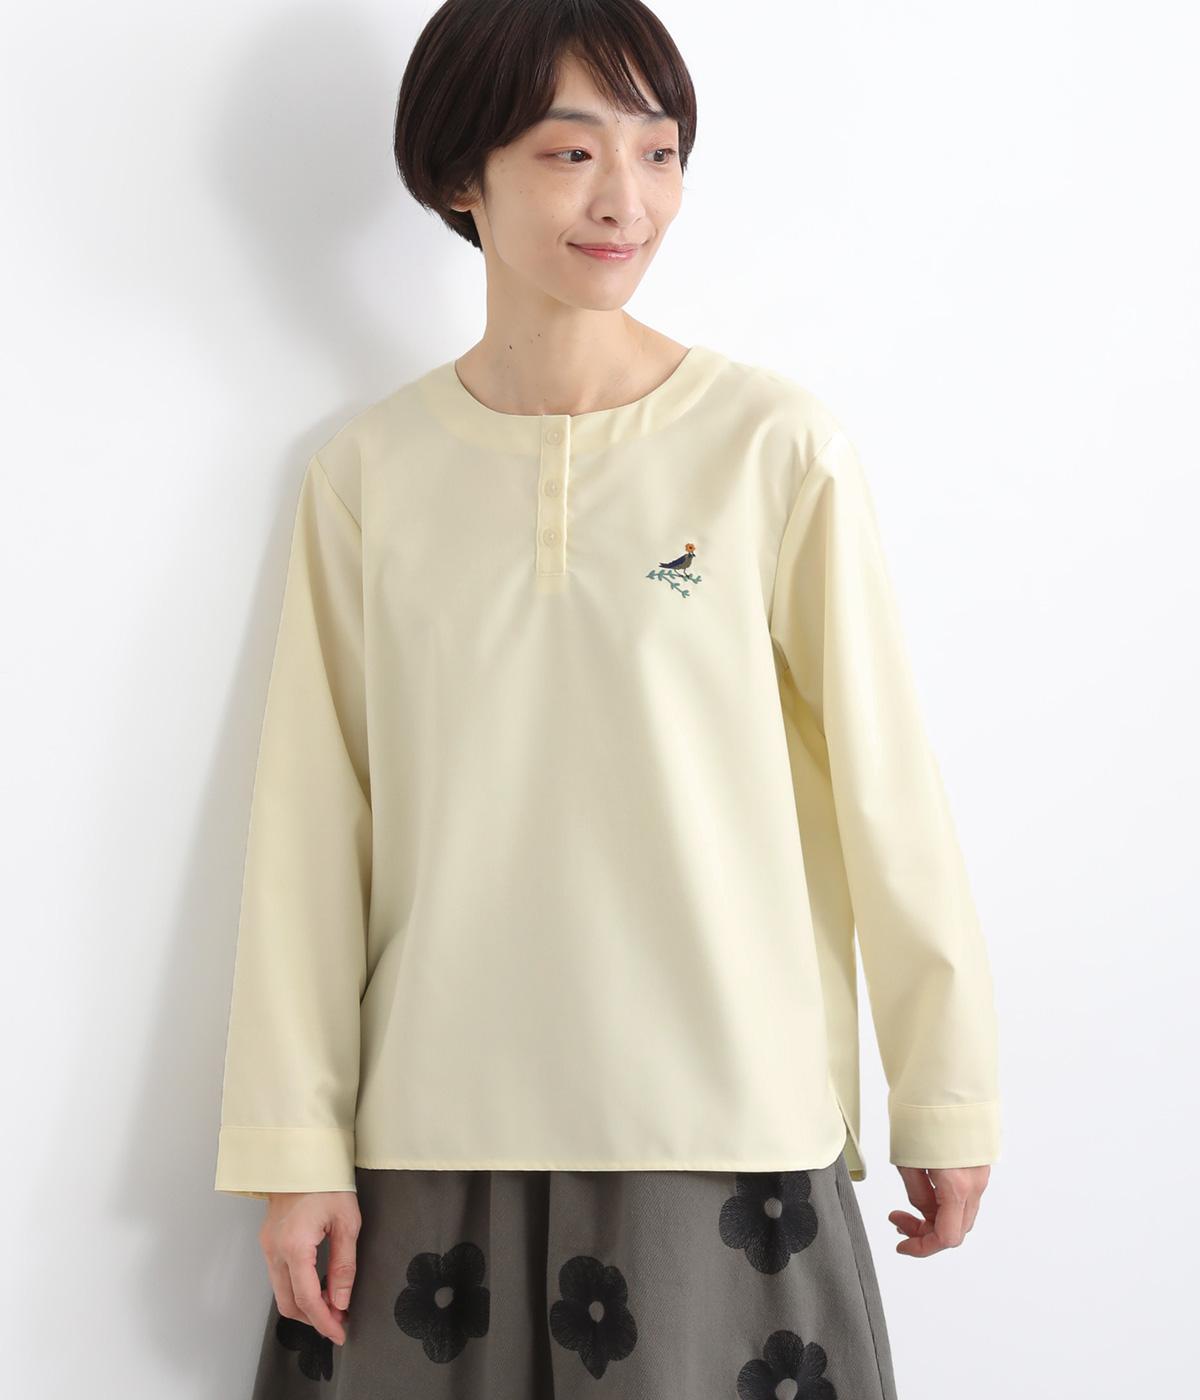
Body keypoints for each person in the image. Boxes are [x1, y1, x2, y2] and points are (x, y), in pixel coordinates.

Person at [213, 1, 1001, 1395]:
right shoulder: (369, 476)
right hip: (433, 1134)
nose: (626, 199)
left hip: (727, 1132)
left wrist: (943, 1091)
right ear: (461, 174)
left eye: (659, 150)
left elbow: (887, 790)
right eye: (570, 152)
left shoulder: (773, 449)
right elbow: (310, 834)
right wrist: (294, 1146)